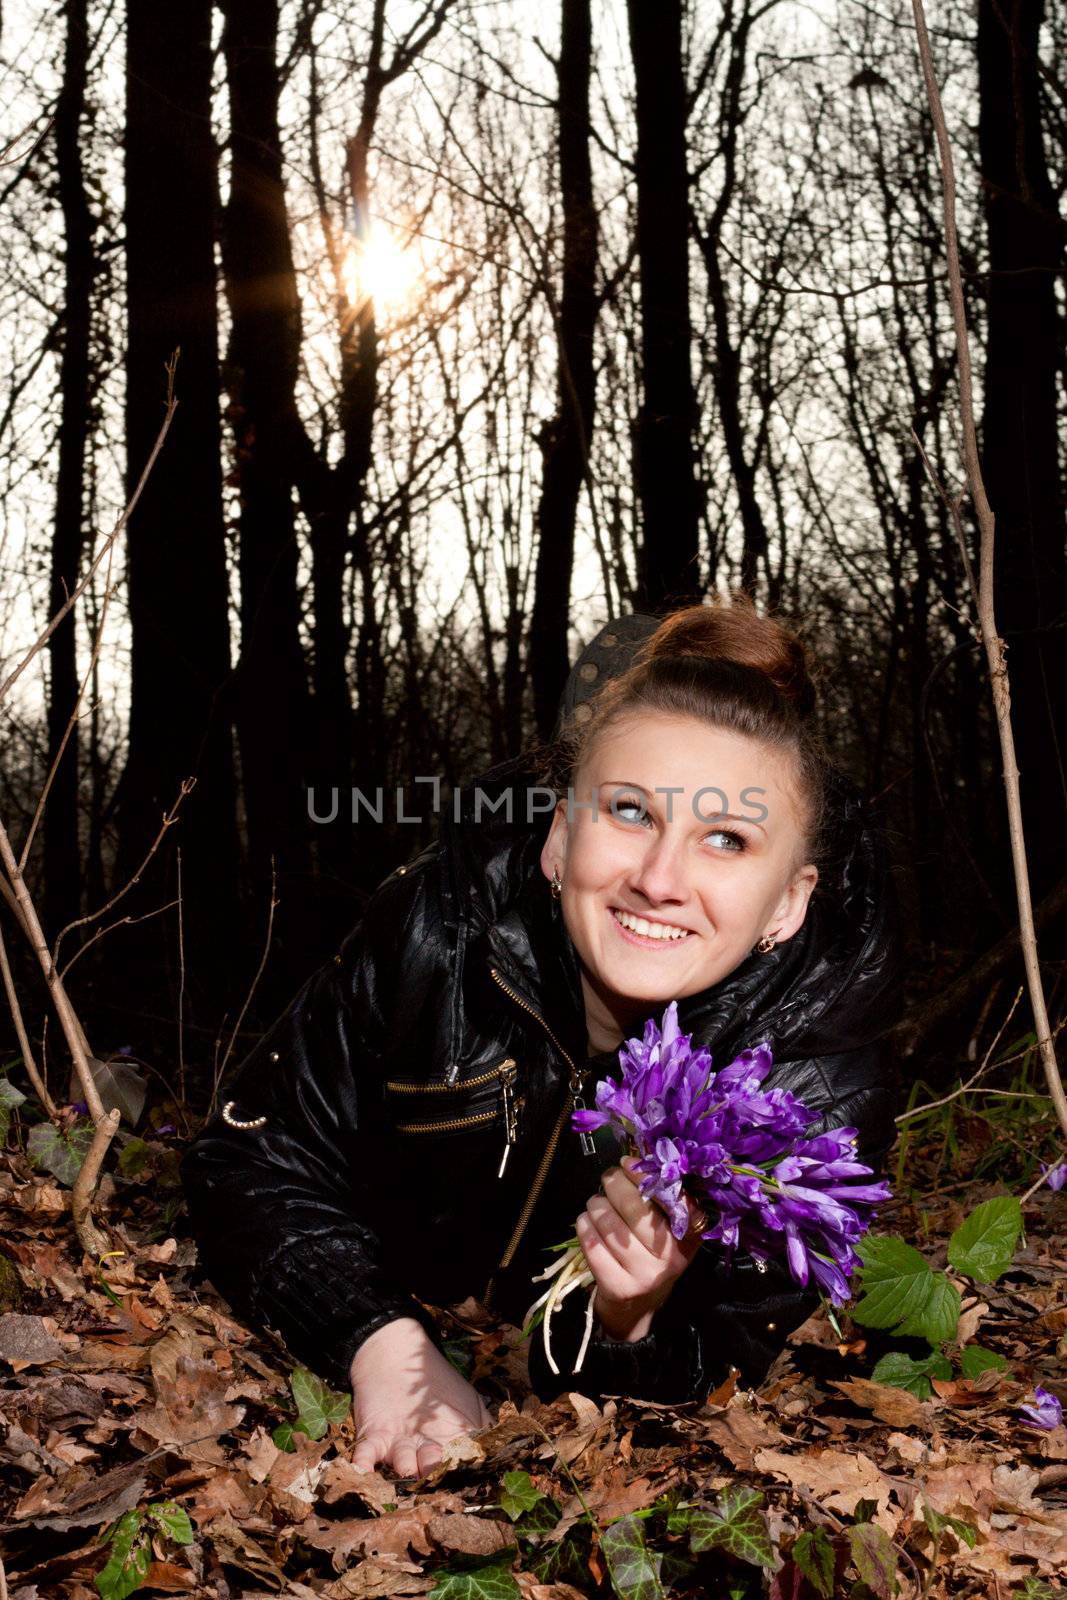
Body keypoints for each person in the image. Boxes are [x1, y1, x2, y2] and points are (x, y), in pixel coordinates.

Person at [181, 598, 904, 1480]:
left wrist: (625, 1321)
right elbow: (250, 1157)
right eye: (631, 813)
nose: (659, 879)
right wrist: (379, 1343)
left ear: (787, 903)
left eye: (725, 838)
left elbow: (719, 1363)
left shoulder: (809, 1096)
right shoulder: (439, 932)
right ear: (561, 837)